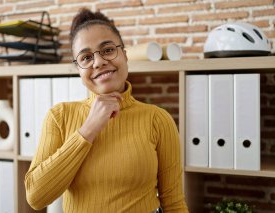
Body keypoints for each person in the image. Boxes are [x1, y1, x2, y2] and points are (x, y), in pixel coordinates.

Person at [25, 8, 189, 213]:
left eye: (108, 50)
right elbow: (36, 197)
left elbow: (174, 204)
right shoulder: (59, 117)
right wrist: (89, 129)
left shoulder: (158, 119)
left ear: (125, 55)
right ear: (78, 70)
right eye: (85, 57)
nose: (99, 61)